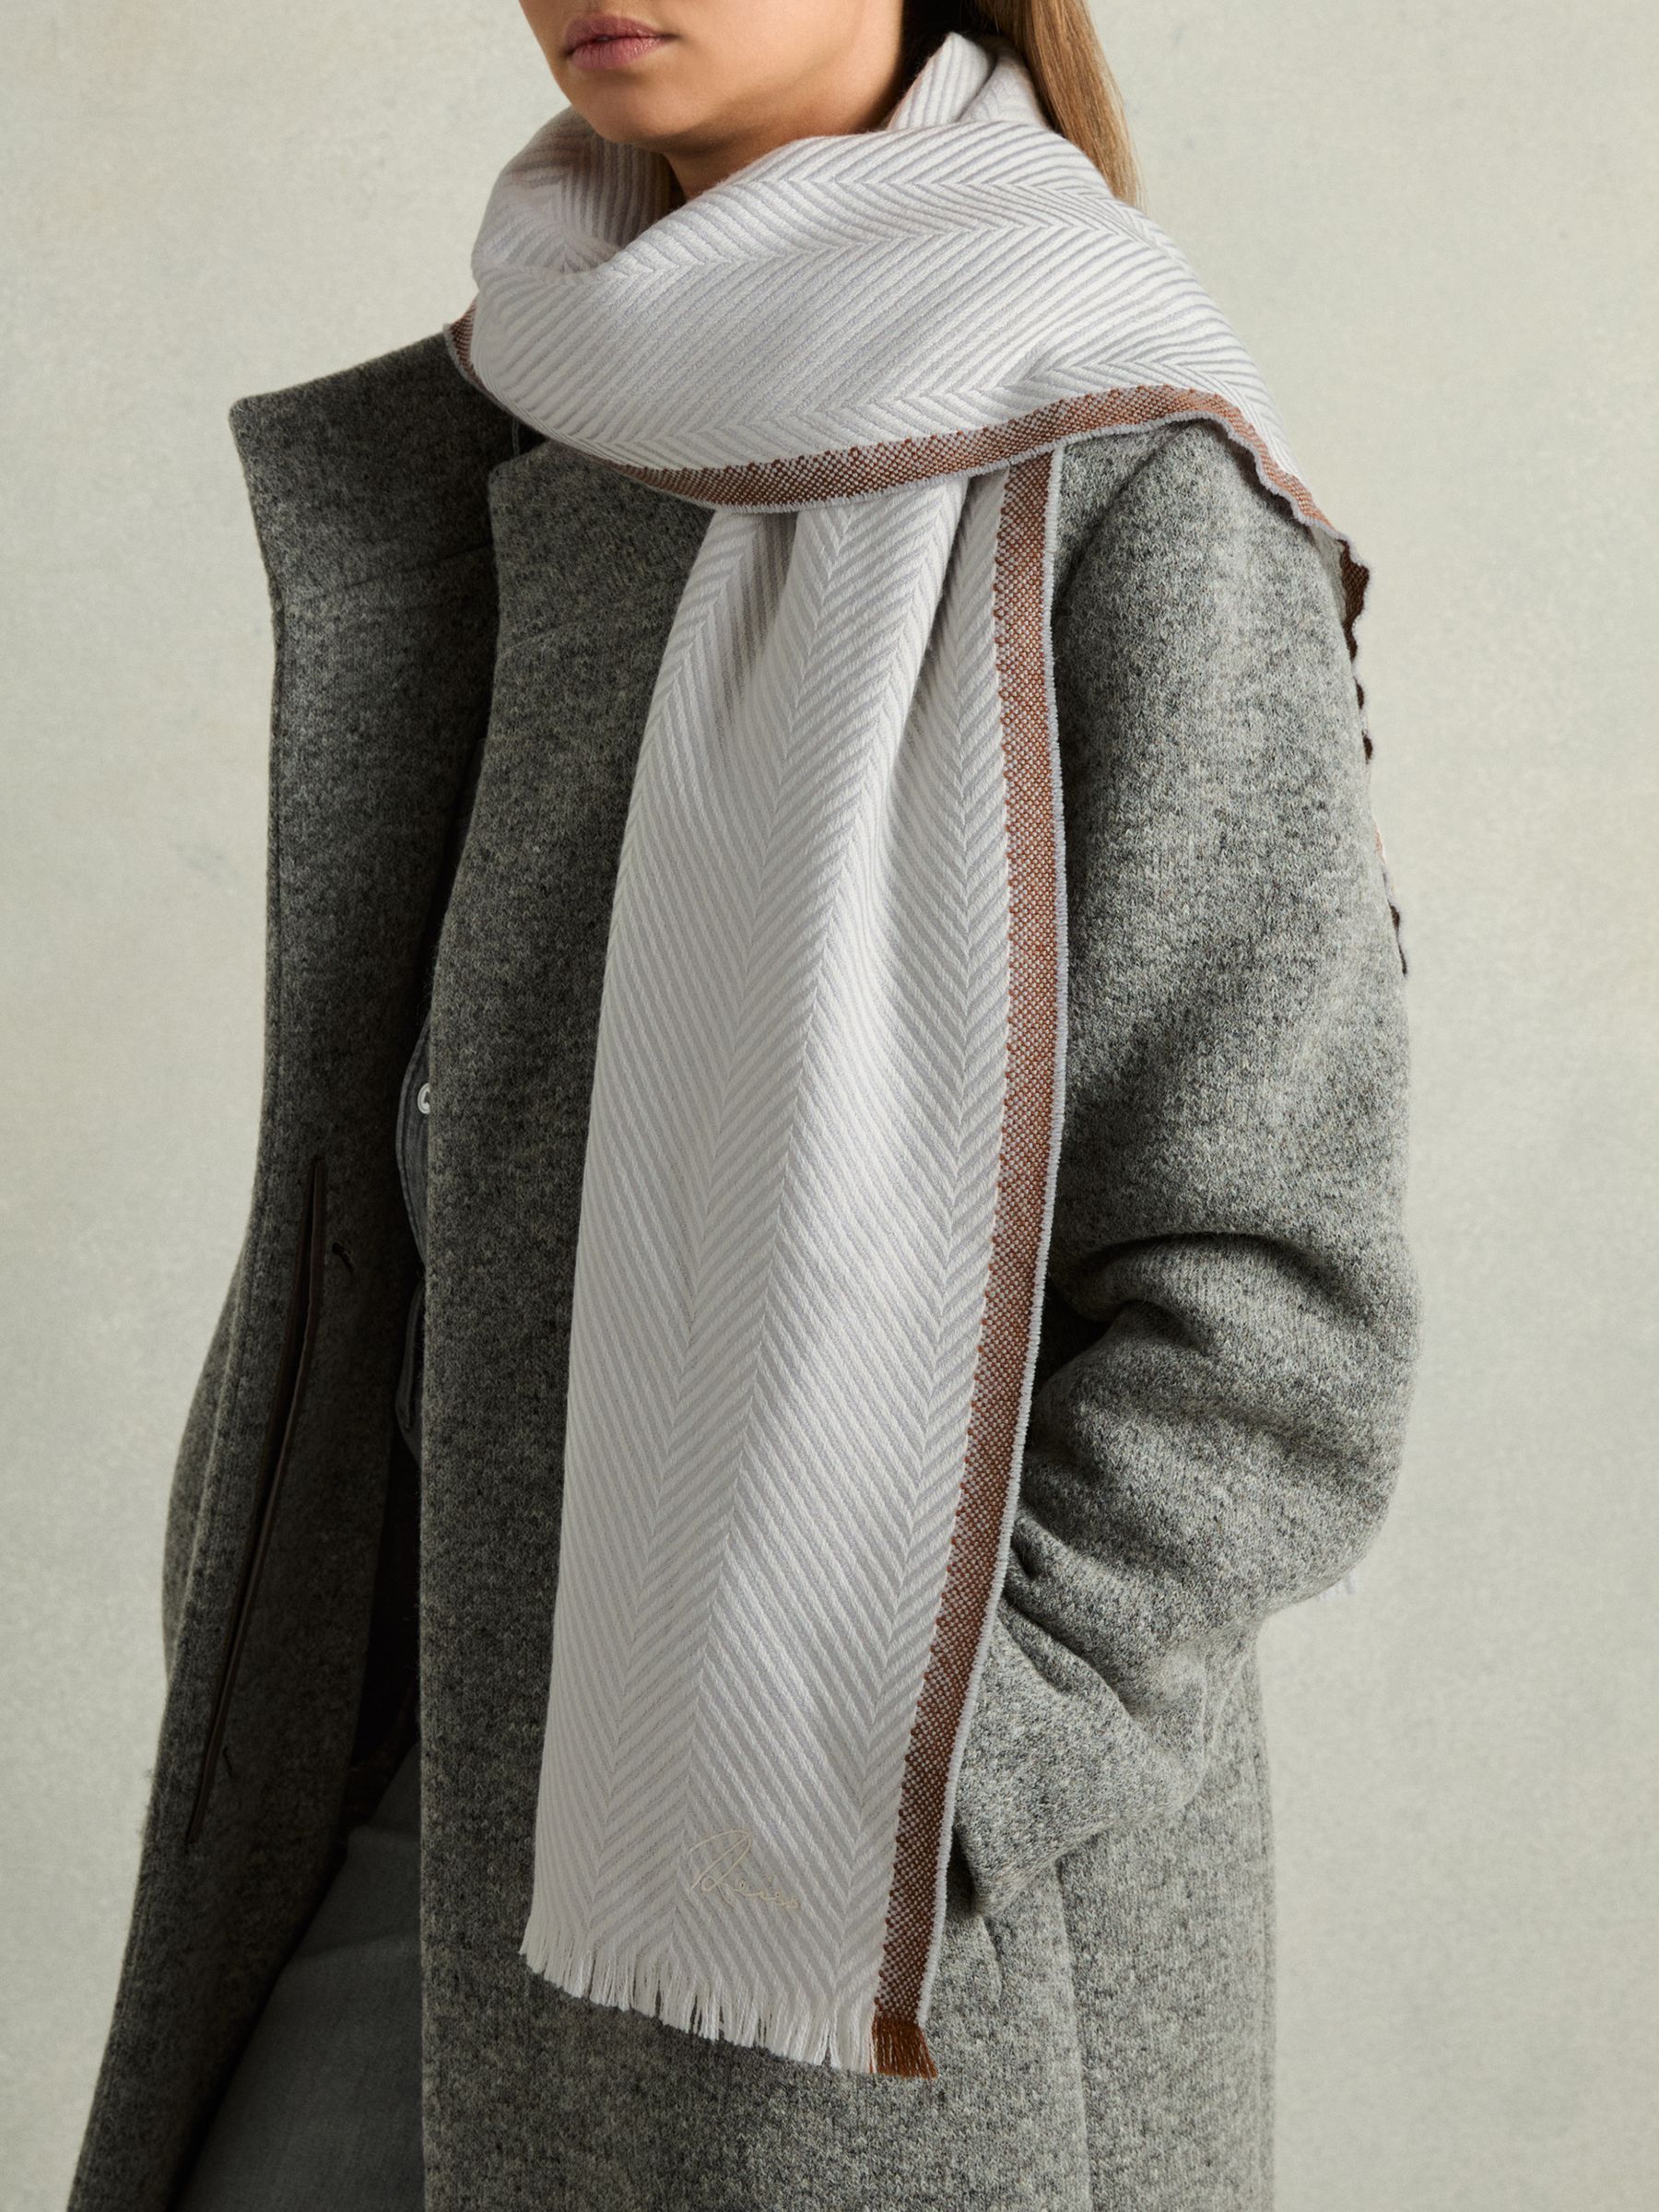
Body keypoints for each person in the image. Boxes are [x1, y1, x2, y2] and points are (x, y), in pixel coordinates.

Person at [68, 4, 1419, 2208]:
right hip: (415, 1790)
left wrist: (912, 1777)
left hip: (829, 1929)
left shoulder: (1121, 470)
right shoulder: (550, 425)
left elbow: (1272, 1313)